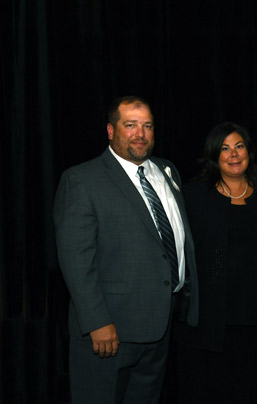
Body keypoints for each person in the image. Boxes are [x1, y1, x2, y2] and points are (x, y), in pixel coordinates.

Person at [53, 95, 199, 404]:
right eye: (130, 125)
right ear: (110, 130)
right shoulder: (82, 179)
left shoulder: (167, 170)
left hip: (160, 328)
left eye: (147, 126)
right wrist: (96, 321)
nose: (140, 134)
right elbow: (76, 260)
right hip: (110, 331)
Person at [171, 122, 257, 403]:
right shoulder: (193, 196)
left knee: (245, 391)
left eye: (239, 146)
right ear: (213, 155)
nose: (233, 154)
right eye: (225, 148)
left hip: (252, 320)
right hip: (205, 320)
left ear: (249, 152)